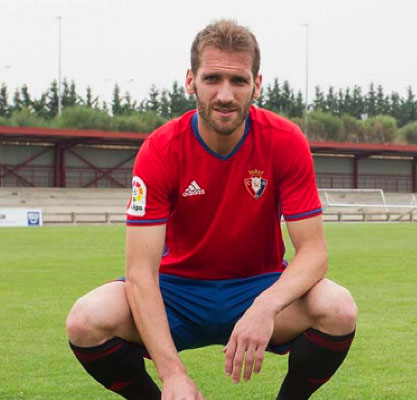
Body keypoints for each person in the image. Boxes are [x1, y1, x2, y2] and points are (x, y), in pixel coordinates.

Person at [66, 19, 357, 400]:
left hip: (259, 283)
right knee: (85, 320)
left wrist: (265, 307)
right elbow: (139, 272)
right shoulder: (160, 149)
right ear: (191, 81)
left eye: (238, 81)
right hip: (176, 294)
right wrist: (173, 374)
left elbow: (314, 254)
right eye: (212, 78)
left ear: (257, 84)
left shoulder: (285, 141)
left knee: (339, 308)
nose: (225, 94)